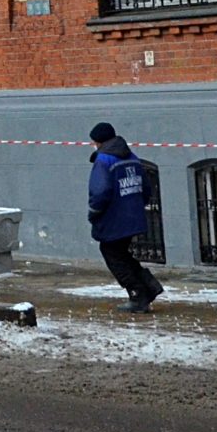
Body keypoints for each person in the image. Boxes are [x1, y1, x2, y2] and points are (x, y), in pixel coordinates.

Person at [87, 121, 164, 314]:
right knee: (121, 254)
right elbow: (146, 188)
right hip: (133, 215)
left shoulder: (104, 160)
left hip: (114, 218)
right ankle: (149, 285)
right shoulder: (132, 157)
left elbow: (100, 191)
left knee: (113, 255)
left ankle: (138, 294)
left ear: (98, 141)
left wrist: (94, 212)